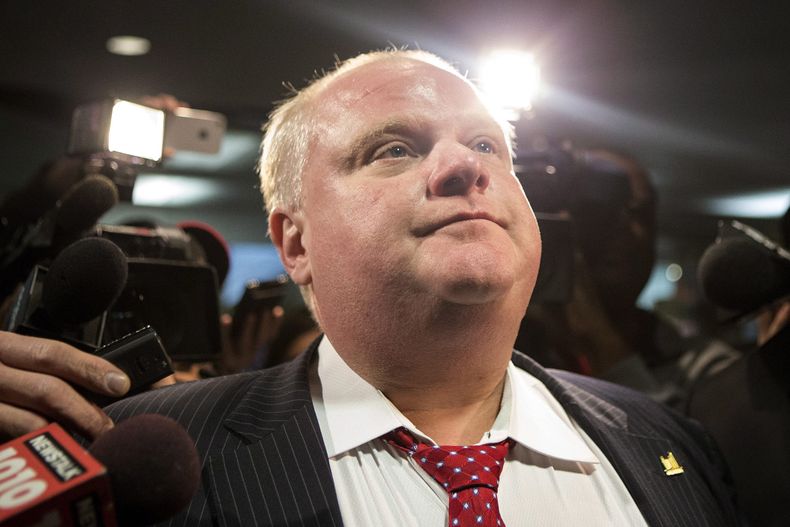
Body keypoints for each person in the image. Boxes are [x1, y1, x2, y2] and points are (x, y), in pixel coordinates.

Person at [0, 50, 740, 526]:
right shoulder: (131, 462)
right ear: (295, 241)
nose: (466, 168)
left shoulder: (673, 446)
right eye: (394, 148)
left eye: (486, 145)